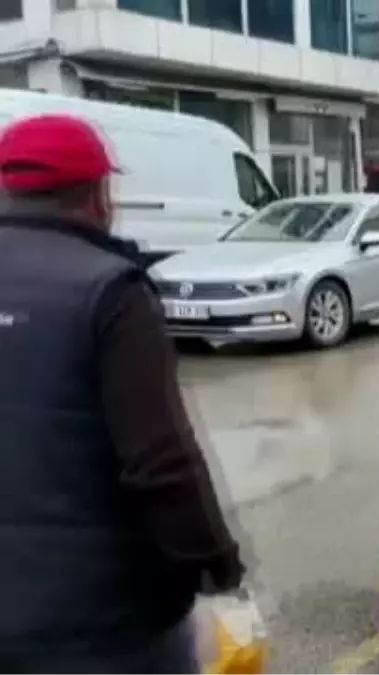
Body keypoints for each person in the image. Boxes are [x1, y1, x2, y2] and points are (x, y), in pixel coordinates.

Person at [0, 114, 245, 673]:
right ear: (98, 194)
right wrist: (215, 564)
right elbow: (161, 461)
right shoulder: (112, 290)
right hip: (102, 621)